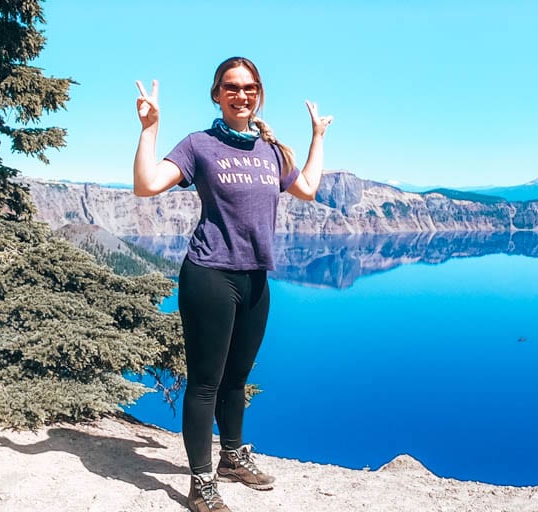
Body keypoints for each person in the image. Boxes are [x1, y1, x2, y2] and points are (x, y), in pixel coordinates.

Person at [133, 56, 332, 512]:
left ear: (258, 93)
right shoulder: (199, 145)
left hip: (255, 277)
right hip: (210, 274)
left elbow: (305, 188)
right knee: (206, 382)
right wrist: (149, 127)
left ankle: (232, 457)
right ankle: (200, 482)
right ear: (217, 94)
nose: (240, 95)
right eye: (231, 87)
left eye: (249, 88)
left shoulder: (270, 149)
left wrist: (317, 138)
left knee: (237, 378)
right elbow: (146, 185)